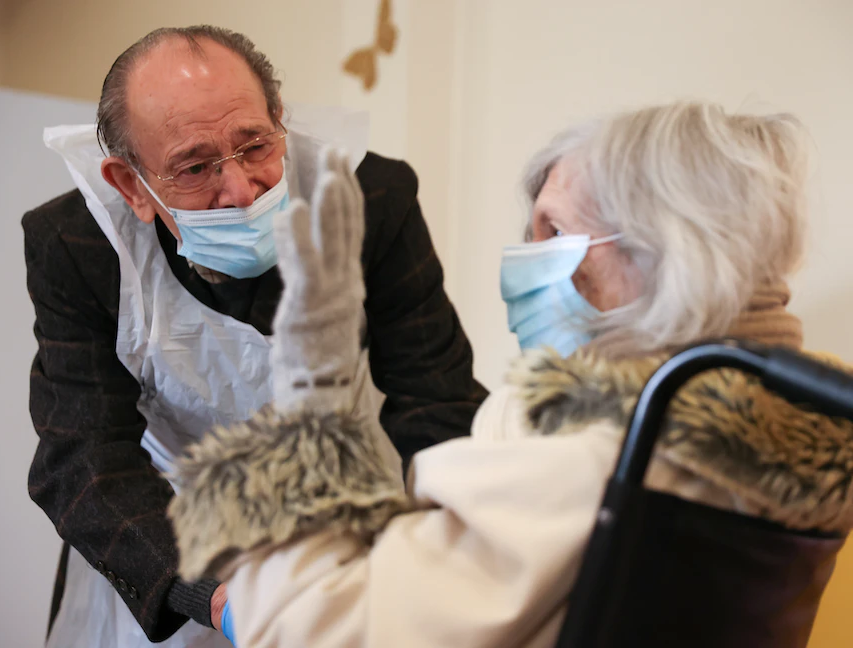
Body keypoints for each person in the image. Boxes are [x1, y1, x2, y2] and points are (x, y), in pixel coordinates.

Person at [169, 101, 853, 648]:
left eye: (552, 231)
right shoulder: (800, 426)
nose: (525, 257)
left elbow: (301, 631)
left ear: (667, 252)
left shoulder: (597, 461)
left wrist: (309, 397)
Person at [23, 25, 486, 648]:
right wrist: (215, 598)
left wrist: (460, 543)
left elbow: (436, 398)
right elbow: (83, 455)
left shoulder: (371, 198)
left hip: (343, 520)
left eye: (255, 145)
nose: (241, 191)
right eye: (194, 167)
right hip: (163, 537)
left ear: (280, 120)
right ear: (132, 185)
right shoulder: (79, 246)